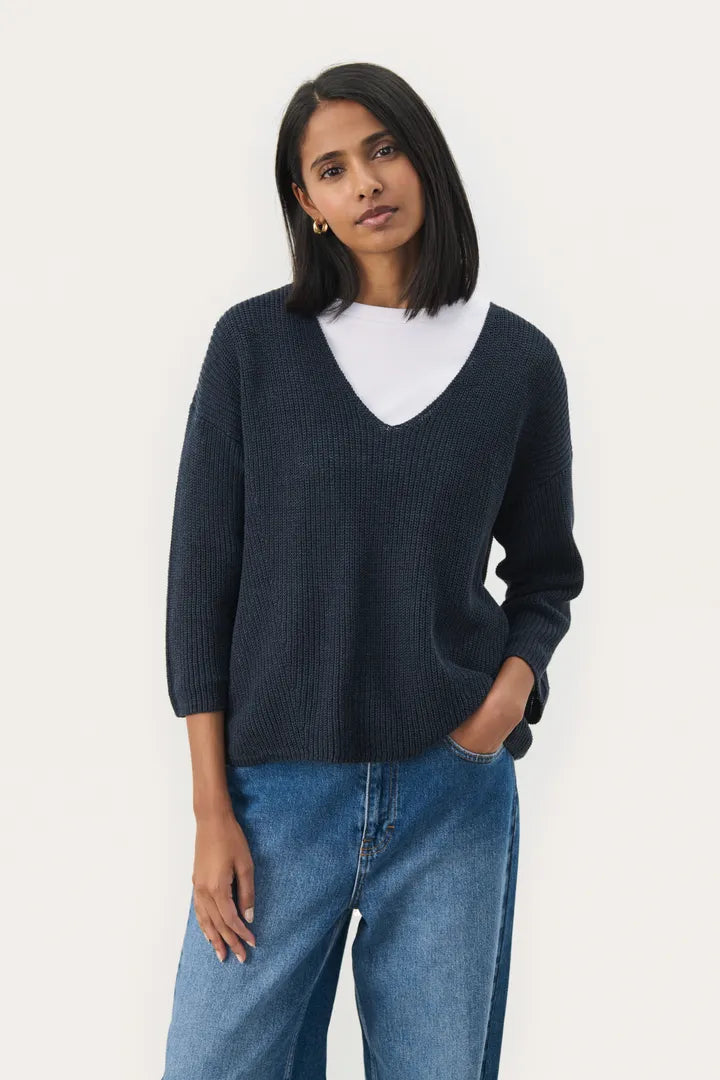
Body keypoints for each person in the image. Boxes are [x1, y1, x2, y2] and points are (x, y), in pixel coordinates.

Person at [160, 61, 584, 1080]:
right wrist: (212, 811)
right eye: (333, 169)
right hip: (274, 799)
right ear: (307, 203)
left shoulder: (517, 364)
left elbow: (546, 576)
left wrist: (505, 699)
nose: (366, 183)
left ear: (423, 160)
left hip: (450, 793)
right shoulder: (254, 348)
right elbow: (199, 588)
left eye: (384, 150)